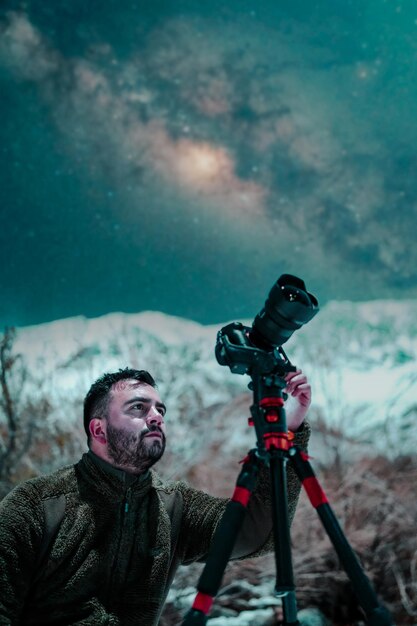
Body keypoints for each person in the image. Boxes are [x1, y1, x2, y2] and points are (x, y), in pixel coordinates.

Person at [0, 366, 312, 626]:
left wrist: (289, 429)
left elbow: (260, 532)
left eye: (159, 409)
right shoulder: (36, 505)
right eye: (138, 407)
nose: (157, 417)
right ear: (99, 430)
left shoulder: (175, 507)